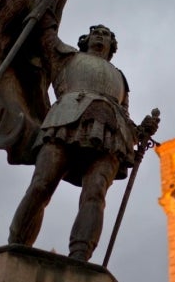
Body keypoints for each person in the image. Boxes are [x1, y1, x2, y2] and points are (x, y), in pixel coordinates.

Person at [8, 24, 152, 262]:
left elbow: (126, 116)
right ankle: (16, 246)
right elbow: (44, 34)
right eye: (96, 32)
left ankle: (80, 257)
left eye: (106, 35)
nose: (100, 36)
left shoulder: (120, 79)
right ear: (86, 39)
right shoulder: (67, 58)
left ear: (111, 46)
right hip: (64, 121)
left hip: (110, 131)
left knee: (95, 192)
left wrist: (139, 131)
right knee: (42, 183)